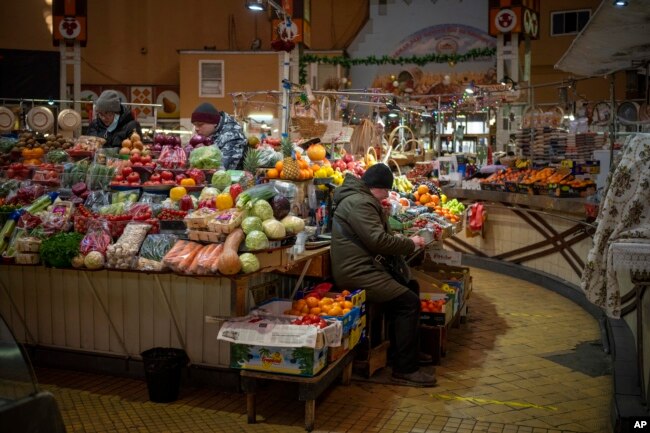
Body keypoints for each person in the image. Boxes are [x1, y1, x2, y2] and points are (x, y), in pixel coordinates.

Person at [329, 163, 436, 387]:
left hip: (367, 266)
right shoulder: (360, 203)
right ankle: (405, 369)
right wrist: (410, 244)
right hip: (358, 272)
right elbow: (377, 240)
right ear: (377, 187)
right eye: (386, 190)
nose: (387, 195)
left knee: (411, 288)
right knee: (408, 302)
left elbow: (374, 236)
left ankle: (405, 354)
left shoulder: (360, 199)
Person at [191, 103, 247, 170]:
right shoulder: (212, 131)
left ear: (214, 122)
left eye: (200, 125)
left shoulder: (232, 135)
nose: (196, 129)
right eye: (195, 125)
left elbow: (223, 168)